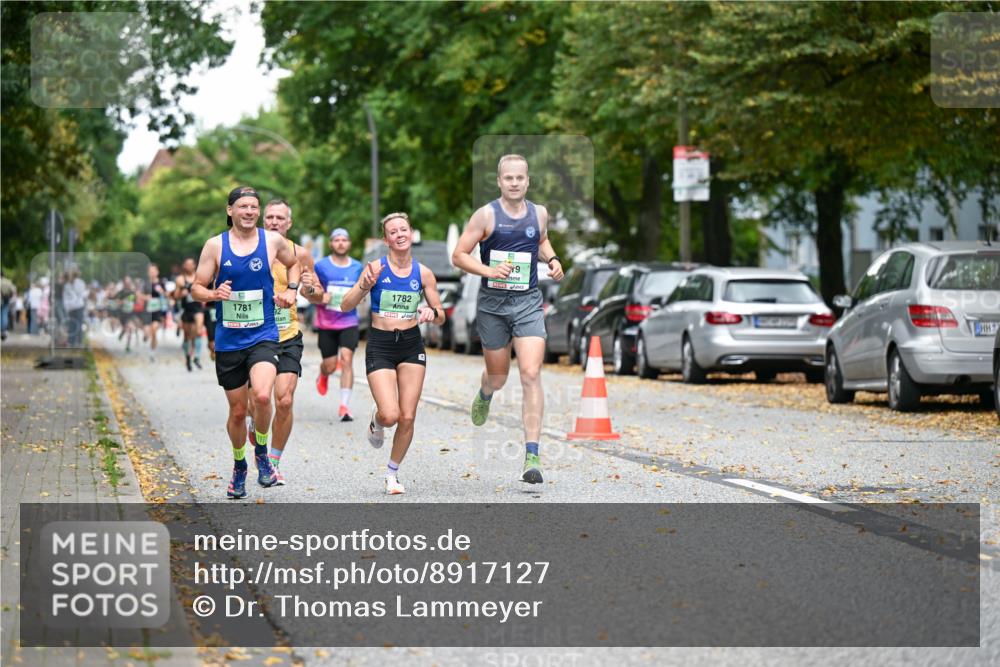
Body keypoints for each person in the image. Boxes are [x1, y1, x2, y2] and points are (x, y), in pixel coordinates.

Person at [451, 154, 564, 484]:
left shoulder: (539, 213)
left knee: (530, 373)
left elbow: (540, 240)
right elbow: (458, 255)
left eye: (520, 178)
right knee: (499, 376)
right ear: (499, 181)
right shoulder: (486, 215)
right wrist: (488, 270)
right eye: (508, 178)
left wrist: (553, 259)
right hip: (493, 304)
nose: (514, 183)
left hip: (528, 301)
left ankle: (532, 454)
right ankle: (486, 392)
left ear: (528, 181)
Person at [190, 186, 299, 499]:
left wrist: (292, 290)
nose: (249, 212)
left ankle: (262, 453)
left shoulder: (272, 240)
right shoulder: (215, 246)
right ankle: (239, 466)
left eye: (254, 207)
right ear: (230, 211)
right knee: (238, 413)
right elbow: (196, 287)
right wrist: (213, 294)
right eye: (243, 207)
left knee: (263, 396)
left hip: (263, 333)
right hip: (229, 340)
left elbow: (294, 263)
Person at [340, 212, 446, 495]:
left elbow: (441, 315)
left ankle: (391, 474)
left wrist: (430, 311)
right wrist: (364, 285)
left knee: (408, 416)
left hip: (411, 343)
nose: (400, 234)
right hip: (381, 344)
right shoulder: (375, 268)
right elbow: (345, 305)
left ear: (411, 234)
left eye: (404, 230)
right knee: (391, 415)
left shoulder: (423, 273)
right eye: (393, 231)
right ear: (386, 239)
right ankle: (377, 419)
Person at [253, 198, 315, 484]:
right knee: (259, 400)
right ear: (263, 220)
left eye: (280, 218)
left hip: (288, 334)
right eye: (270, 217)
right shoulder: (249, 249)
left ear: (289, 223)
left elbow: (316, 294)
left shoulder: (300, 254)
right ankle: (257, 421)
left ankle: (273, 460)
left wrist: (310, 287)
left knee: (285, 400)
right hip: (254, 335)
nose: (274, 222)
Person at [309, 227, 364, 421]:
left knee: (347, 359)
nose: (341, 243)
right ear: (331, 243)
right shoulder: (321, 266)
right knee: (331, 366)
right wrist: (320, 296)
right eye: (337, 240)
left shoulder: (358, 267)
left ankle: (344, 406)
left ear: (349, 244)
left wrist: (361, 297)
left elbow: (362, 290)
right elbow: (310, 291)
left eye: (344, 240)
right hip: (327, 324)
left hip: (349, 321)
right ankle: (323, 373)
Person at [174, 258, 205, 371]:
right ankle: (188, 357)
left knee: (198, 331)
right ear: (184, 266)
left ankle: (196, 357)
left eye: (190, 264)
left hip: (197, 308)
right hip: (186, 310)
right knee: (187, 336)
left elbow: (204, 290)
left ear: (194, 265)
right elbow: (176, 296)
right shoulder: (180, 280)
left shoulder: (199, 277)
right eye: (186, 264)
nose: (188, 266)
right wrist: (182, 293)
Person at [141, 265, 169, 362]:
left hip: (158, 310)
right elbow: (139, 295)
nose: (152, 273)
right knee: (147, 331)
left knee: (153, 330)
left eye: (154, 271)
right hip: (147, 310)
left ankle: (152, 352)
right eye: (150, 271)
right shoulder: (145, 283)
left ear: (157, 272)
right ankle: (146, 335)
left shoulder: (161, 283)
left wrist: (162, 292)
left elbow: (167, 295)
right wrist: (146, 297)